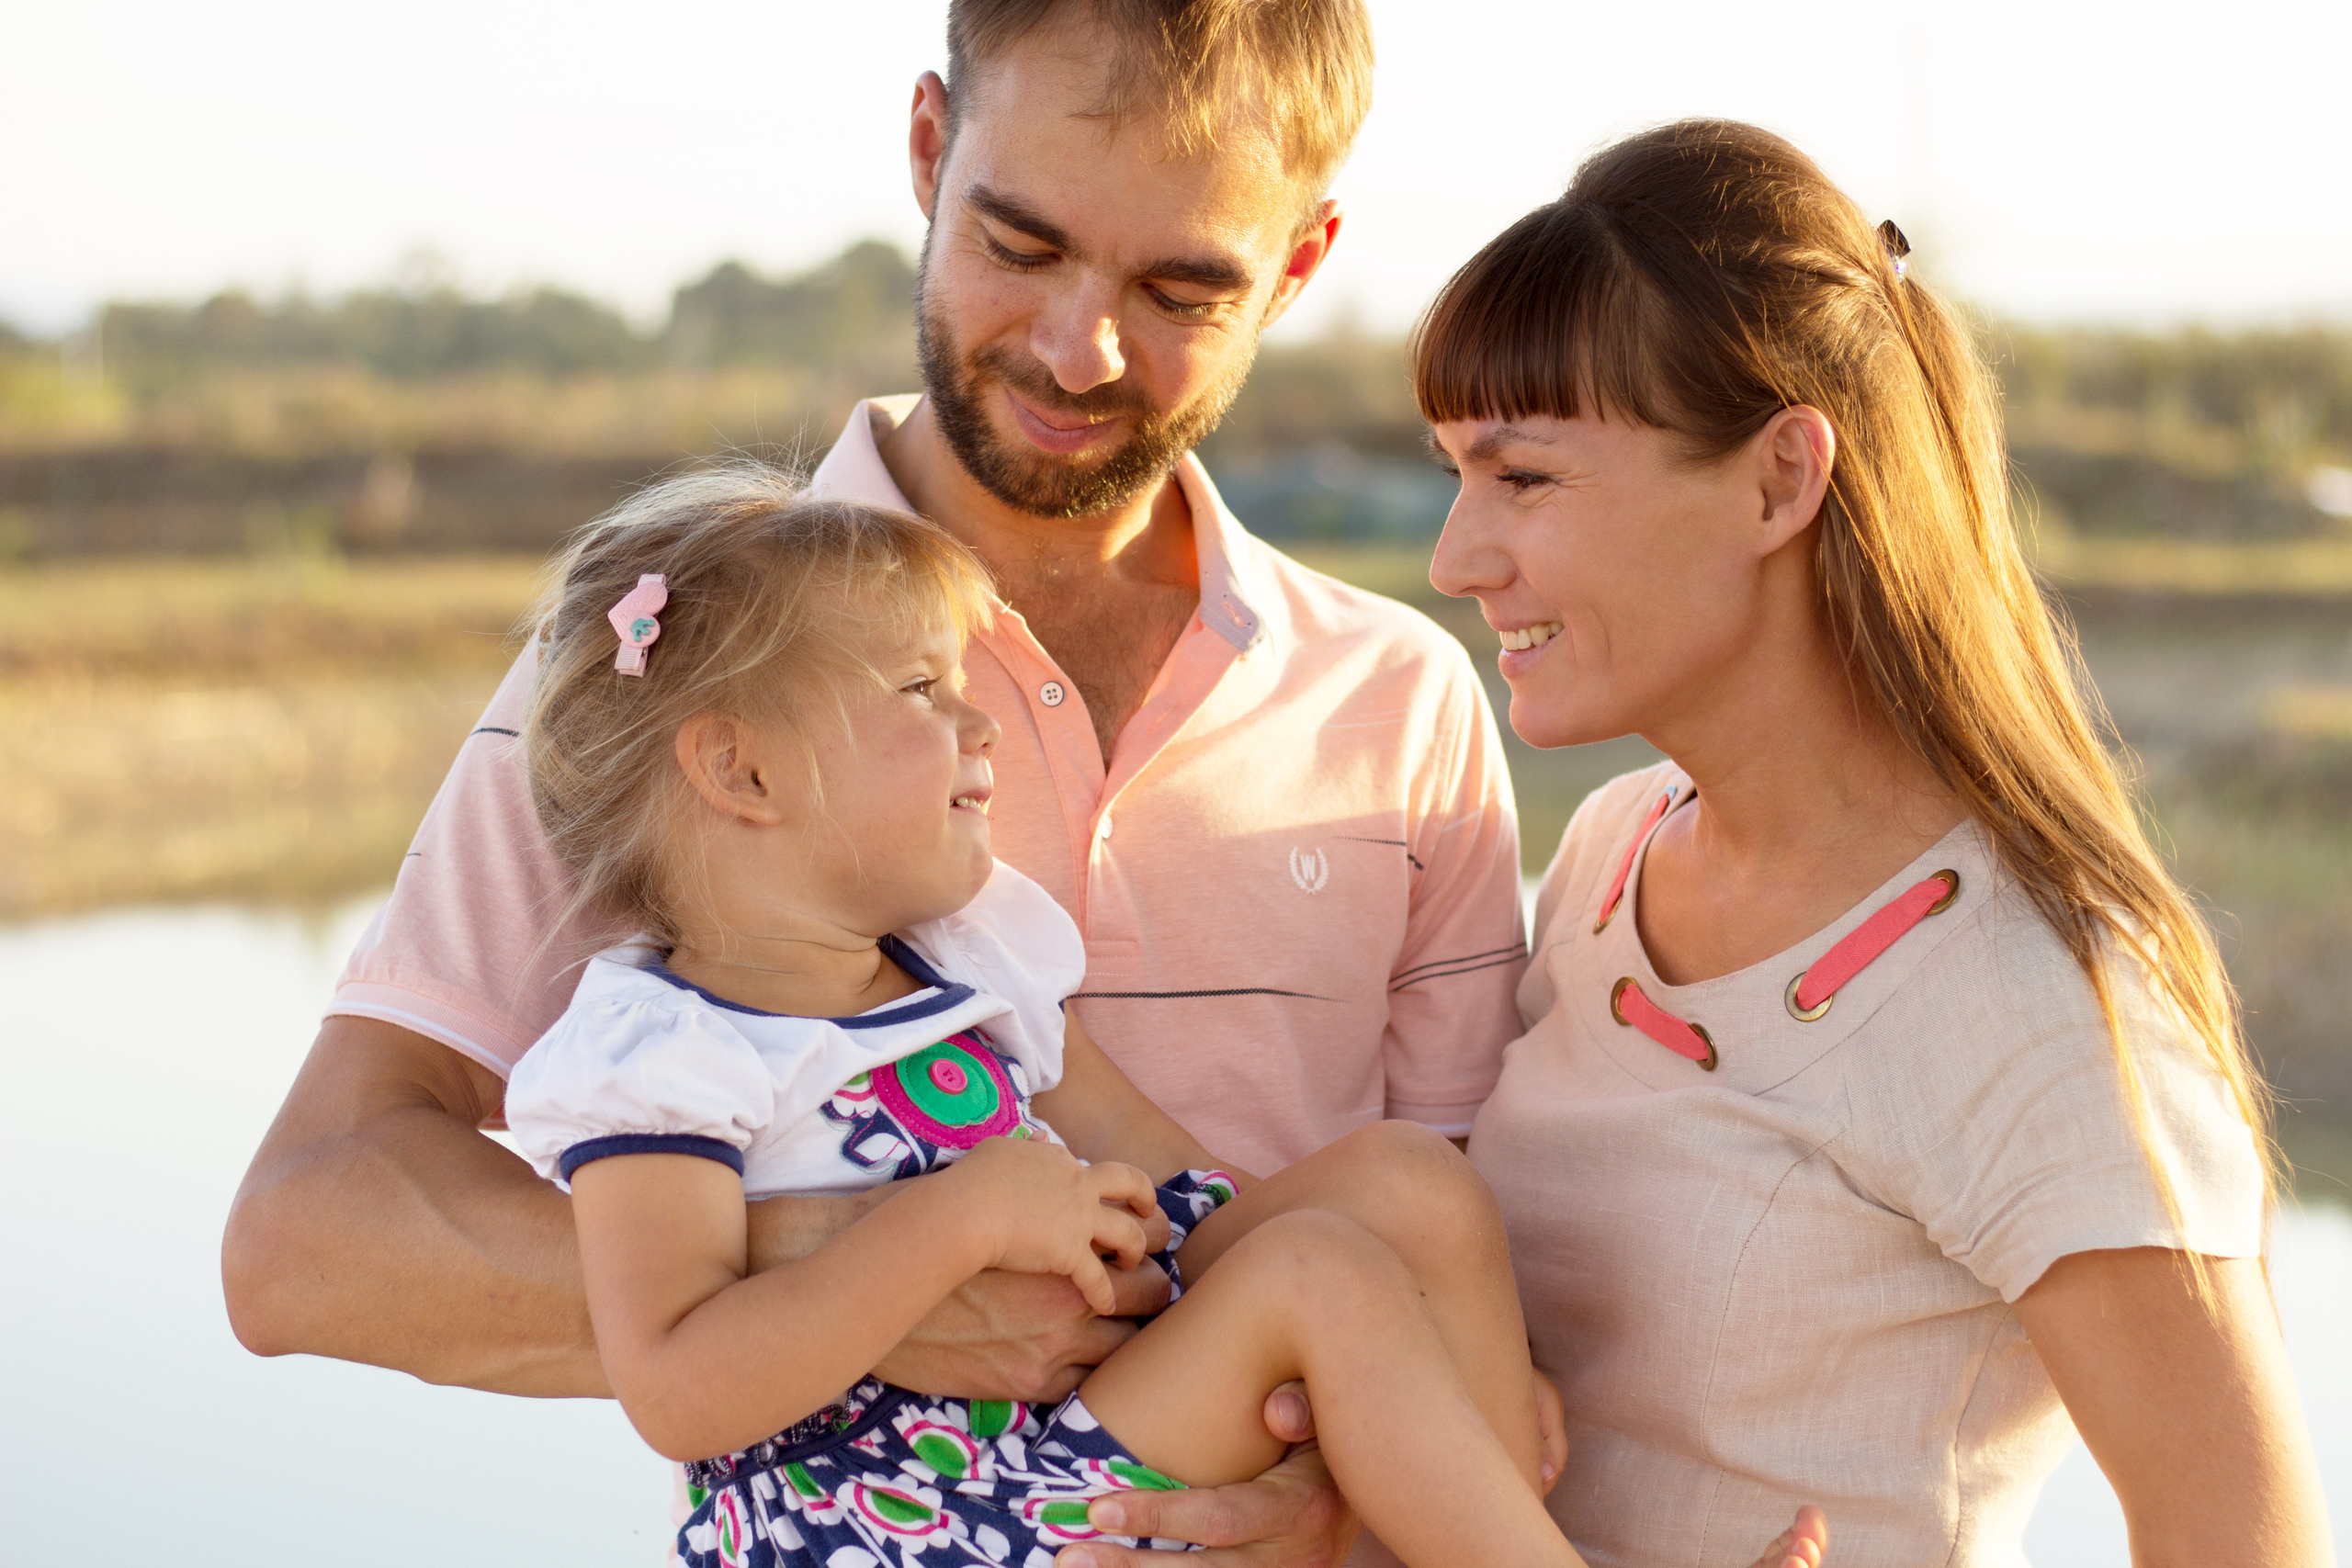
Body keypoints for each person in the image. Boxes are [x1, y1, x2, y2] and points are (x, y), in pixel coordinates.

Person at [223, 4, 1552, 1564]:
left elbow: (1472, 1311)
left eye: (1182, 285)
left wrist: (1340, 1509)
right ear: (928, 151)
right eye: (1022, 242)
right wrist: (854, 1275)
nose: (1080, 349)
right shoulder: (690, 675)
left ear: (1302, 261)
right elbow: (301, 1241)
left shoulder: (1406, 701)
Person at [1414, 119, 2335, 1564]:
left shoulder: (2036, 994)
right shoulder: (1604, 861)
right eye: (1458, 476)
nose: (1456, 556)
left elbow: (2248, 1537)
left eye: (1522, 477)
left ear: (1781, 479)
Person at [499, 469, 1613, 1568]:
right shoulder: (666, 1052)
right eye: (918, 690)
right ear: (741, 770)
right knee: (1317, 1270)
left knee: (1408, 1183)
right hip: (880, 1517)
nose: (976, 722)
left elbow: (1177, 1181)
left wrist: (1402, 1357)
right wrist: (961, 1222)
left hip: (1056, 1441)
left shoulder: (966, 960)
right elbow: (679, 1392)